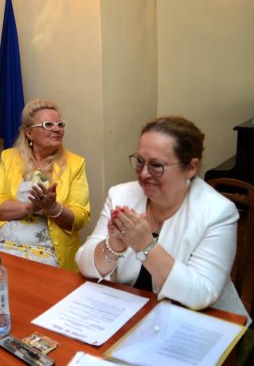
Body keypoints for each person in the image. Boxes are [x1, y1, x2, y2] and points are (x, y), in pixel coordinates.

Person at [75, 116, 250, 323]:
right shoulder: (121, 195)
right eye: (140, 161)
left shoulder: (218, 212)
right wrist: (113, 245)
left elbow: (202, 294)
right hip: (134, 314)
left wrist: (146, 246)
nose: (144, 174)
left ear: (191, 167)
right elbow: (84, 264)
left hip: (202, 321)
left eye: (156, 165)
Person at [0, 99, 91, 271]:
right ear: (29, 133)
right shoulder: (9, 157)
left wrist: (52, 208)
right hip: (1, 242)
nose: (57, 129)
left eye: (60, 124)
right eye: (48, 124)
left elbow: (81, 217)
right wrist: (30, 207)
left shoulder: (75, 164)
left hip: (46, 251)